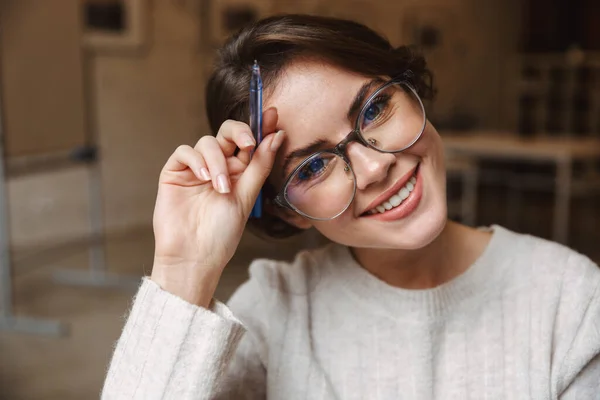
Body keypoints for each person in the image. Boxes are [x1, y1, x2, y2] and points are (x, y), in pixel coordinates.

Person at [101, 14, 600, 399]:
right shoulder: (276, 312)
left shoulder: (570, 300)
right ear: (286, 212)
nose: (374, 167)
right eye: (313, 167)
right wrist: (183, 270)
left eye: (375, 108)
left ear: (413, 90)